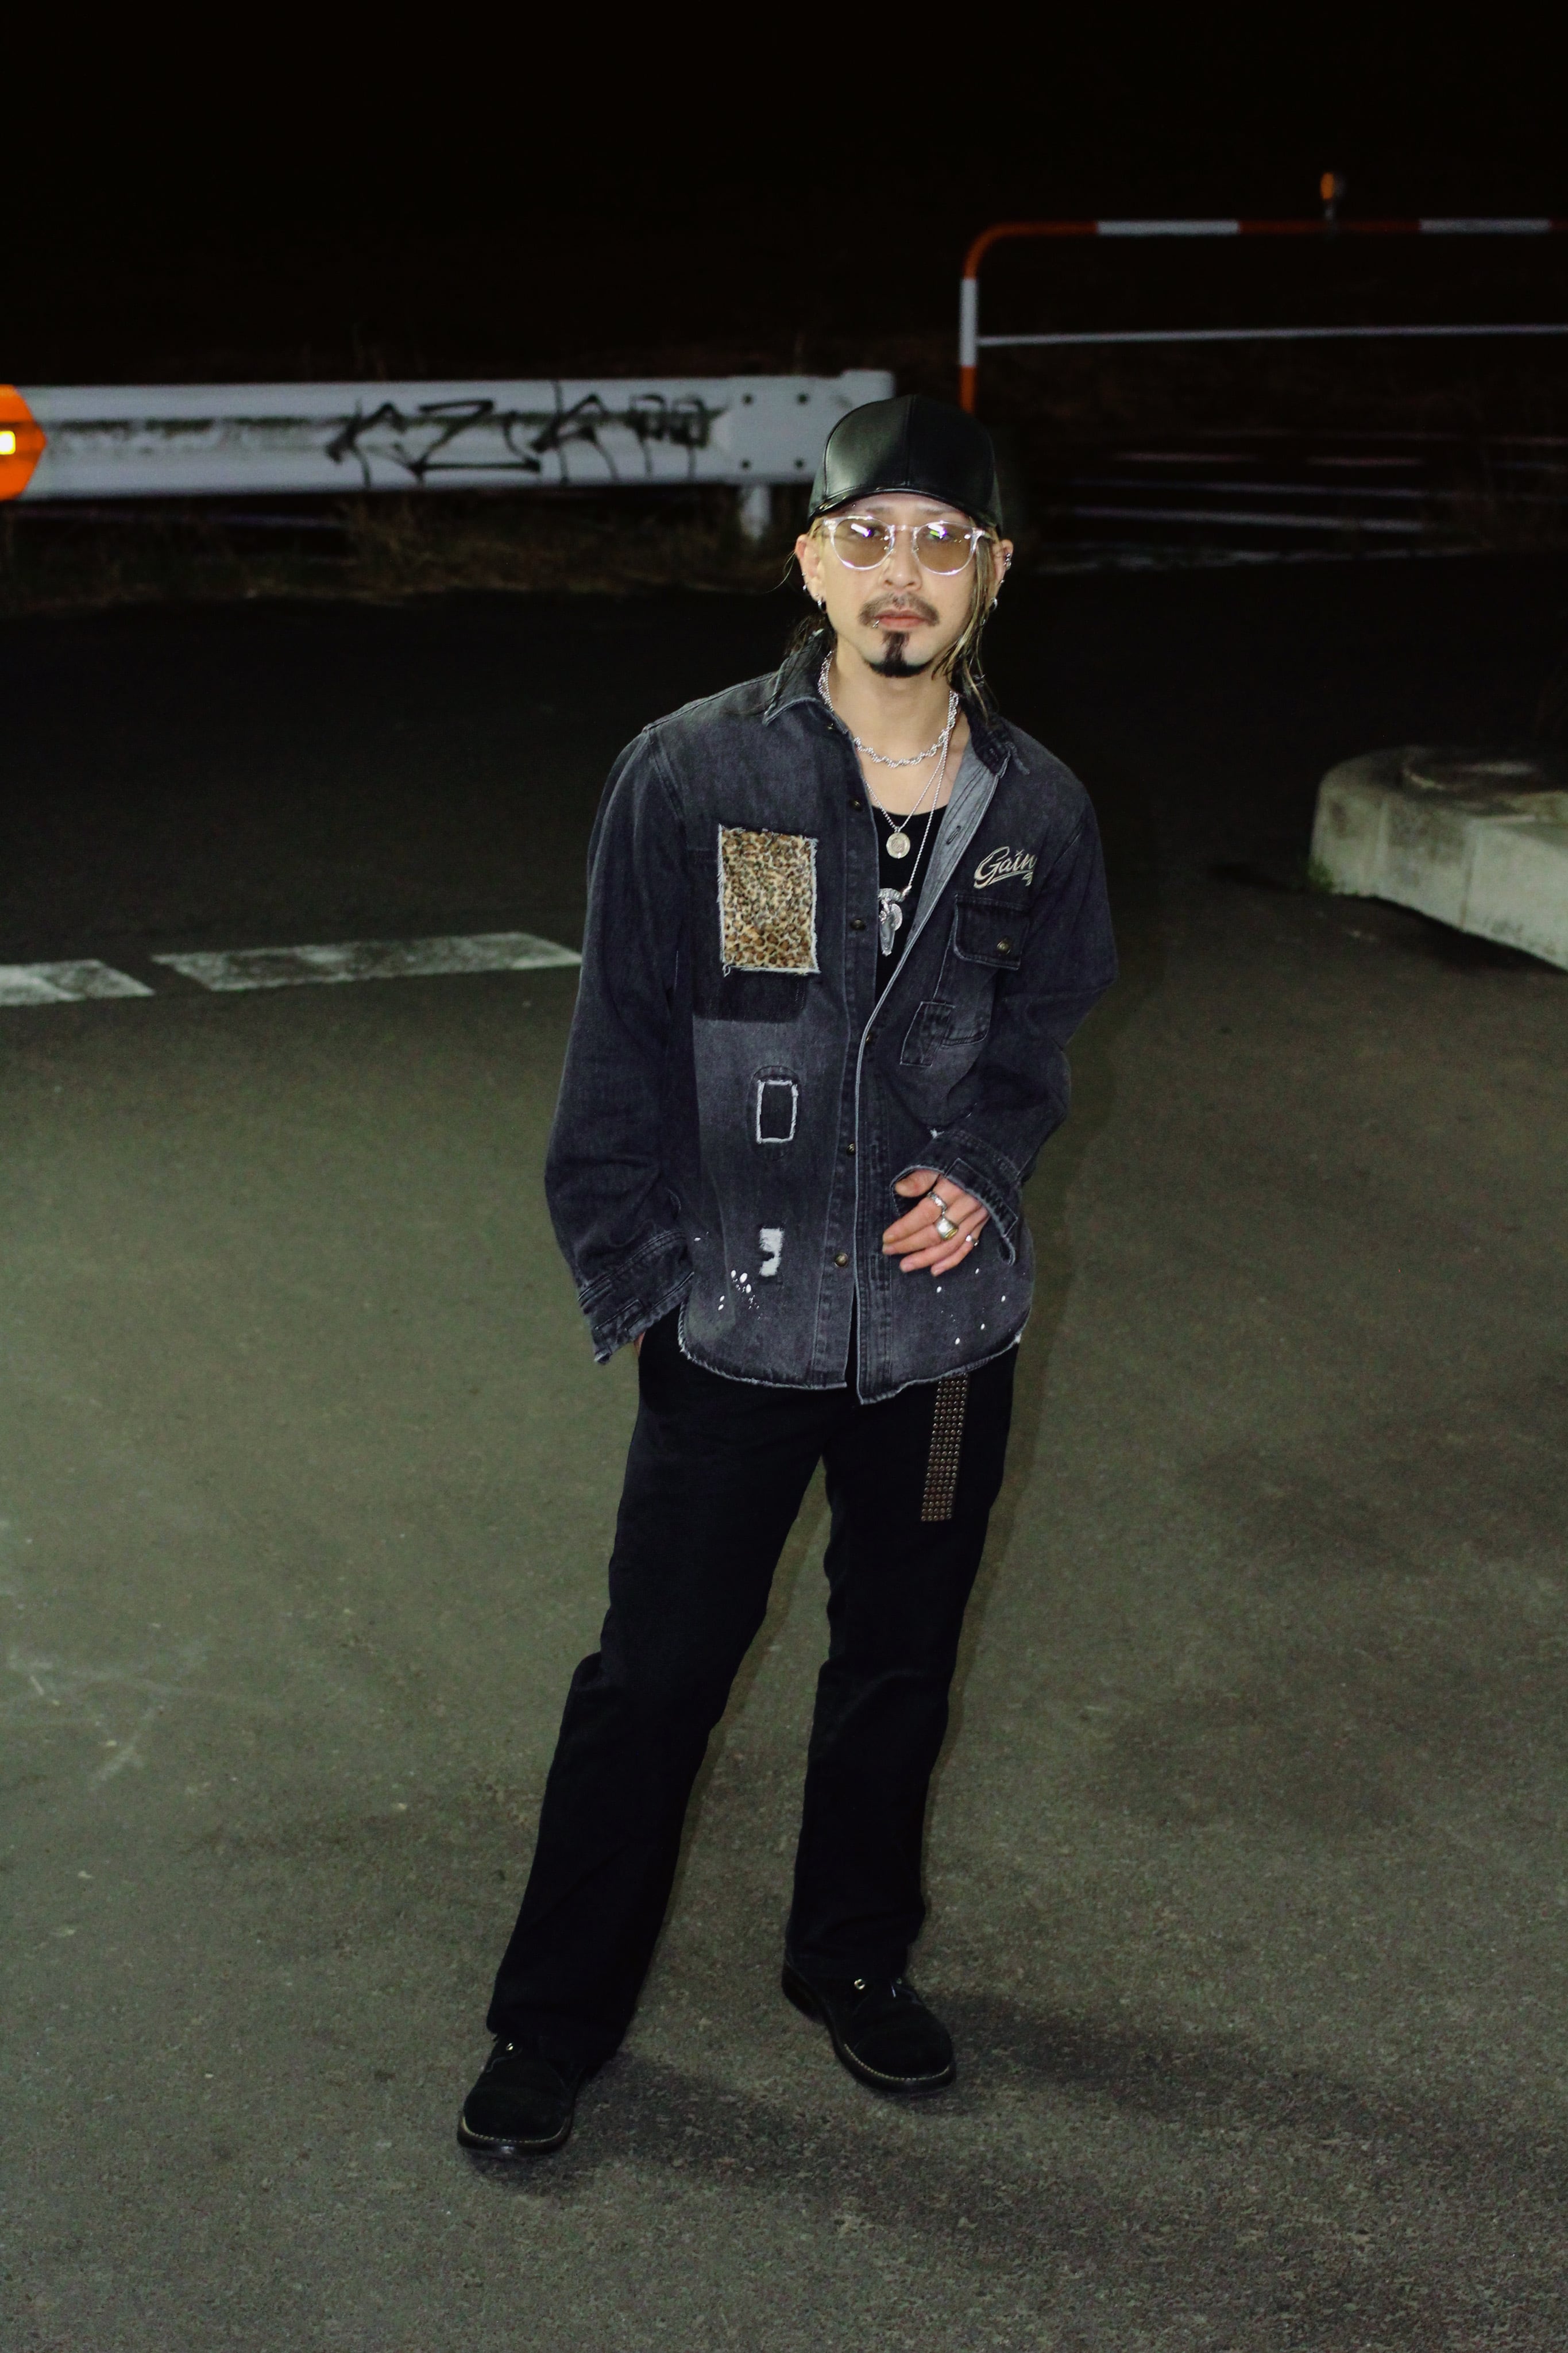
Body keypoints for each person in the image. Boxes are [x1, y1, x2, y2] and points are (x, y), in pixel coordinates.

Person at [458, 394, 1116, 2158]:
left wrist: (984, 1168)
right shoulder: (699, 775)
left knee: (897, 1665)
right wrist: (644, 1285)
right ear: (812, 561)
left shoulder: (1036, 808)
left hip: (941, 1341)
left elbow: (1040, 1034)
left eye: (943, 541)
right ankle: (551, 2022)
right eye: (868, 535)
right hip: (736, 1323)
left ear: (993, 575)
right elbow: (620, 1040)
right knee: (653, 1681)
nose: (905, 571)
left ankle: (850, 1958)